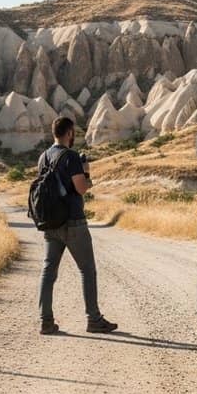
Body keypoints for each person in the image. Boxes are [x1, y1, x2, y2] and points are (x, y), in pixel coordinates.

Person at [37, 116, 118, 335]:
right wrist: (87, 173)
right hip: (73, 222)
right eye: (74, 133)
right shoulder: (71, 156)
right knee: (87, 270)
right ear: (70, 133)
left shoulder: (43, 157)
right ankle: (94, 319)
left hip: (51, 223)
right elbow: (81, 188)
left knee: (48, 272)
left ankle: (45, 321)